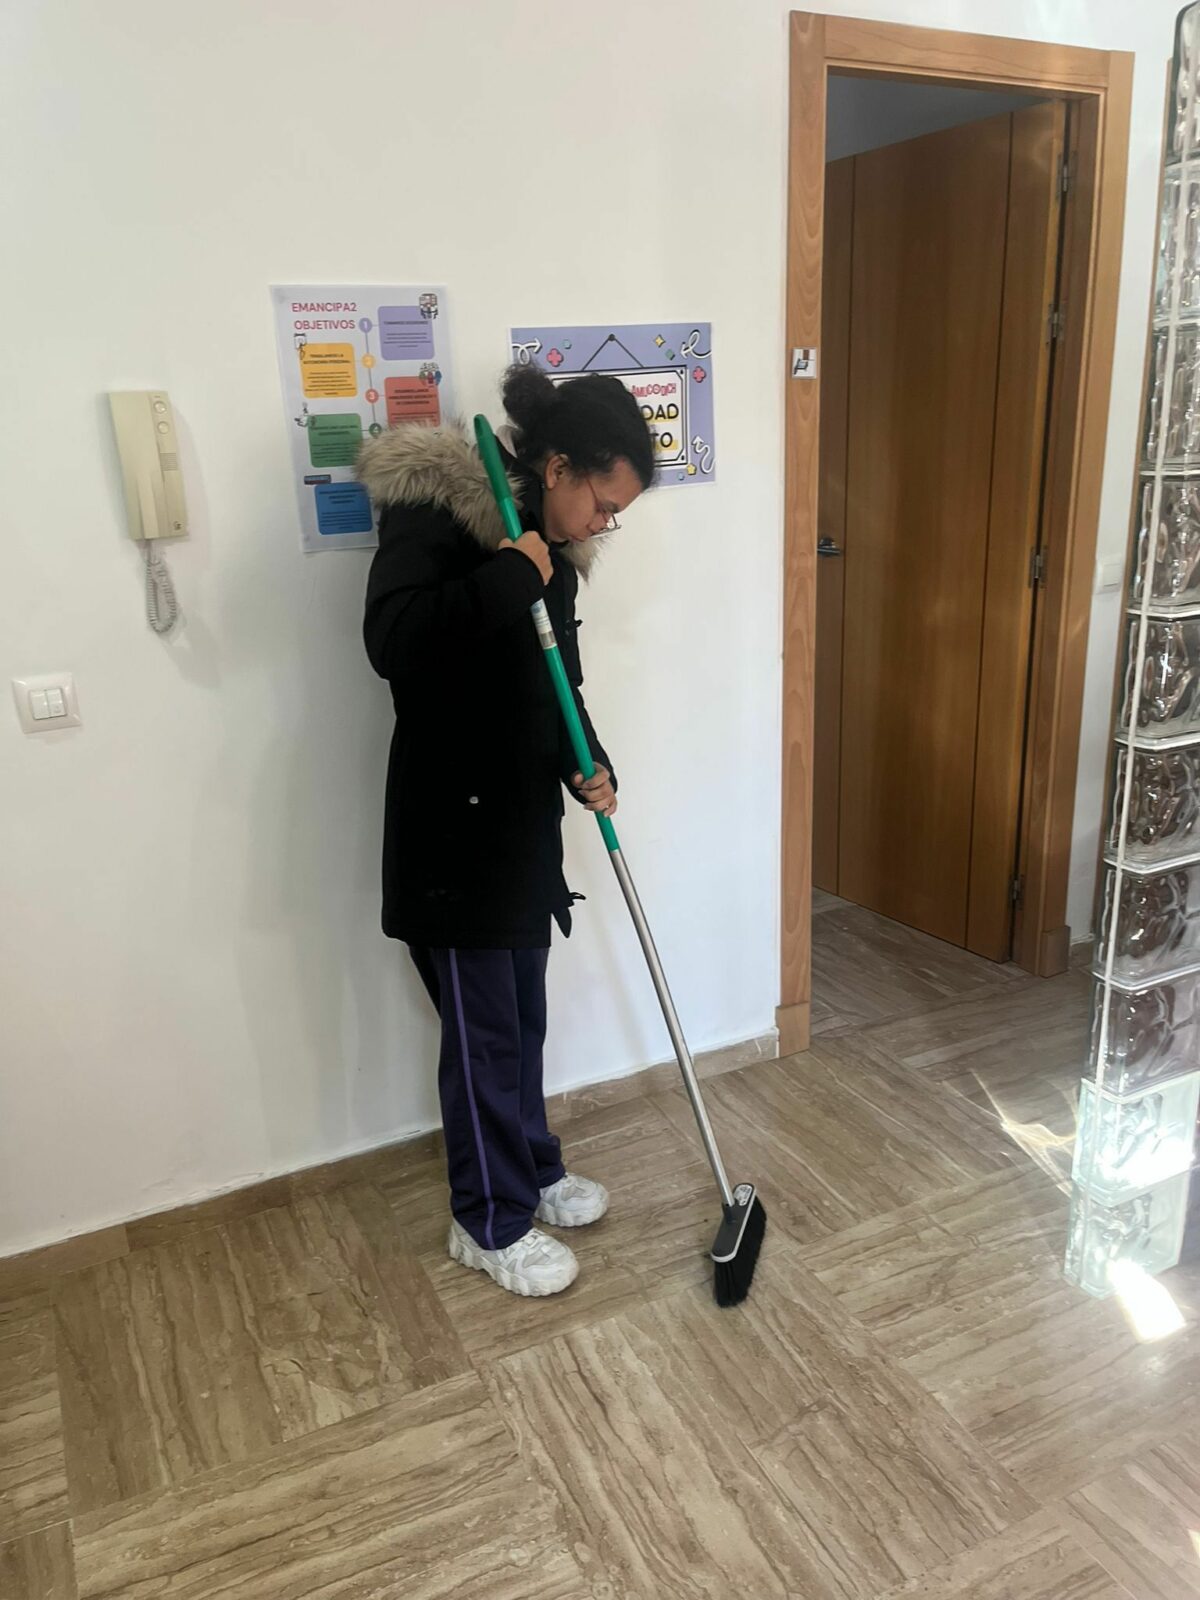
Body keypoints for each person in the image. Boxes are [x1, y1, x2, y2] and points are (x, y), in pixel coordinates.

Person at [358, 365, 655, 1297]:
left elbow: (555, 680)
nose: (604, 523)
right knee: (483, 1035)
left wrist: (588, 761)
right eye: (604, 503)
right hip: (451, 834)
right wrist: (511, 572)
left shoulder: (554, 550)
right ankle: (486, 1220)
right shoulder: (436, 512)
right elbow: (393, 642)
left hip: (522, 831)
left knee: (520, 1023)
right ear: (560, 468)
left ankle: (528, 1163)